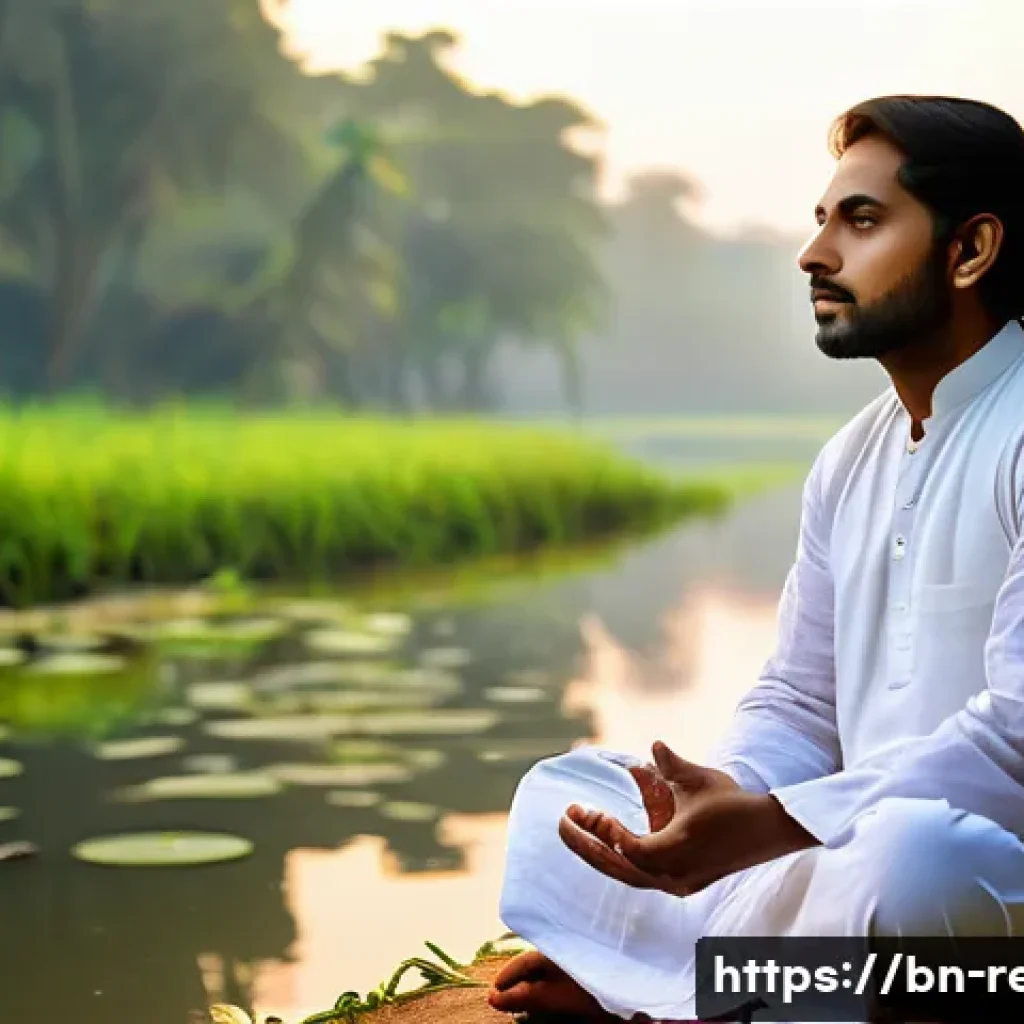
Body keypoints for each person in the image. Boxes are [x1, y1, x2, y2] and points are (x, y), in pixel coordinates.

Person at [487, 94, 1024, 1022]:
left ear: (970, 250)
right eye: (822, 221)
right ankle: (713, 981)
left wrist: (772, 827)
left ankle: (665, 982)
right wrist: (719, 797)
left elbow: (1016, 738)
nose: (815, 254)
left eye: (861, 220)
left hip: (976, 876)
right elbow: (797, 699)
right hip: (841, 857)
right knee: (564, 797)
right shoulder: (852, 455)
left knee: (916, 862)